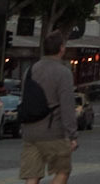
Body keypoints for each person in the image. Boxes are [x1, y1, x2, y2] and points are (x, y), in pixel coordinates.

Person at [18, 30, 77, 182]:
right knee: (62, 170)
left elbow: (24, 100)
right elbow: (67, 106)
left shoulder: (29, 71)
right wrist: (72, 135)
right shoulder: (63, 72)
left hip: (30, 132)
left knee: (32, 175)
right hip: (52, 132)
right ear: (61, 48)